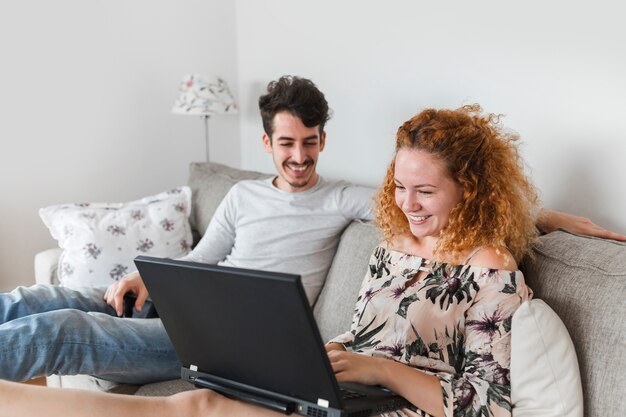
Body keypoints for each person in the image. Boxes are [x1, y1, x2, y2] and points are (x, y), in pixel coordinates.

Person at [0, 76, 623, 386]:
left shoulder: (349, 201)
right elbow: (205, 256)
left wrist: (548, 215)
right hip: (189, 301)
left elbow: (463, 203)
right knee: (40, 298)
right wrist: (142, 275)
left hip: (238, 339)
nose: (299, 158)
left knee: (65, 330)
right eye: (286, 145)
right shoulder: (243, 195)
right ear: (267, 143)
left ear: (323, 140)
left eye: (310, 144)